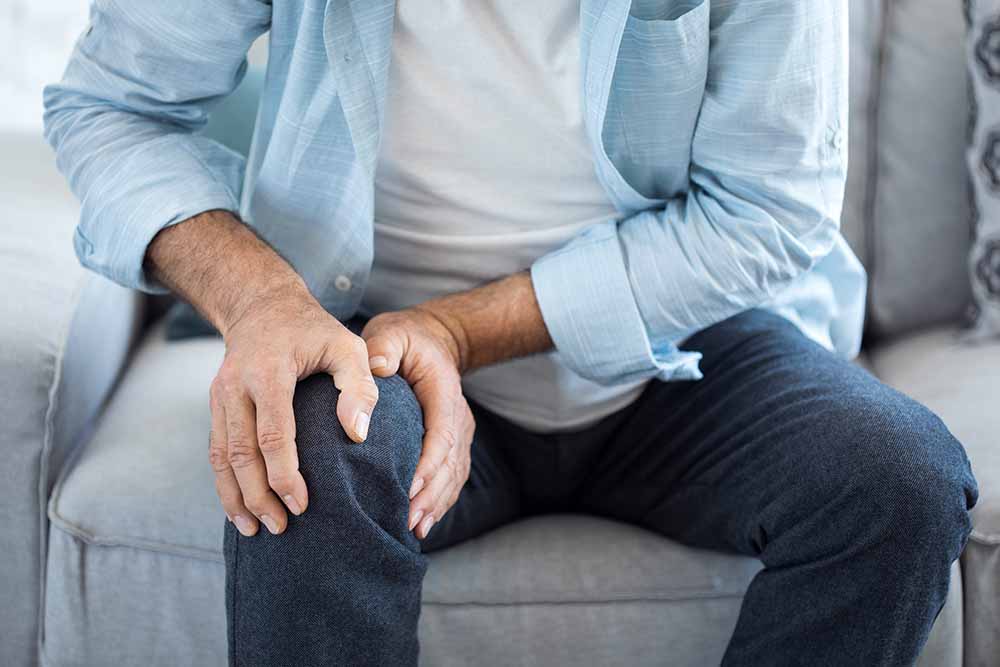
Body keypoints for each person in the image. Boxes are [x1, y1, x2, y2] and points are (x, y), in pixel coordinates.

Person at [44, 1, 978, 665]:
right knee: (309, 458)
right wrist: (261, 301)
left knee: (900, 480)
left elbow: (767, 211)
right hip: (370, 336)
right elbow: (114, 109)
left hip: (687, 348)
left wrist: (456, 329)